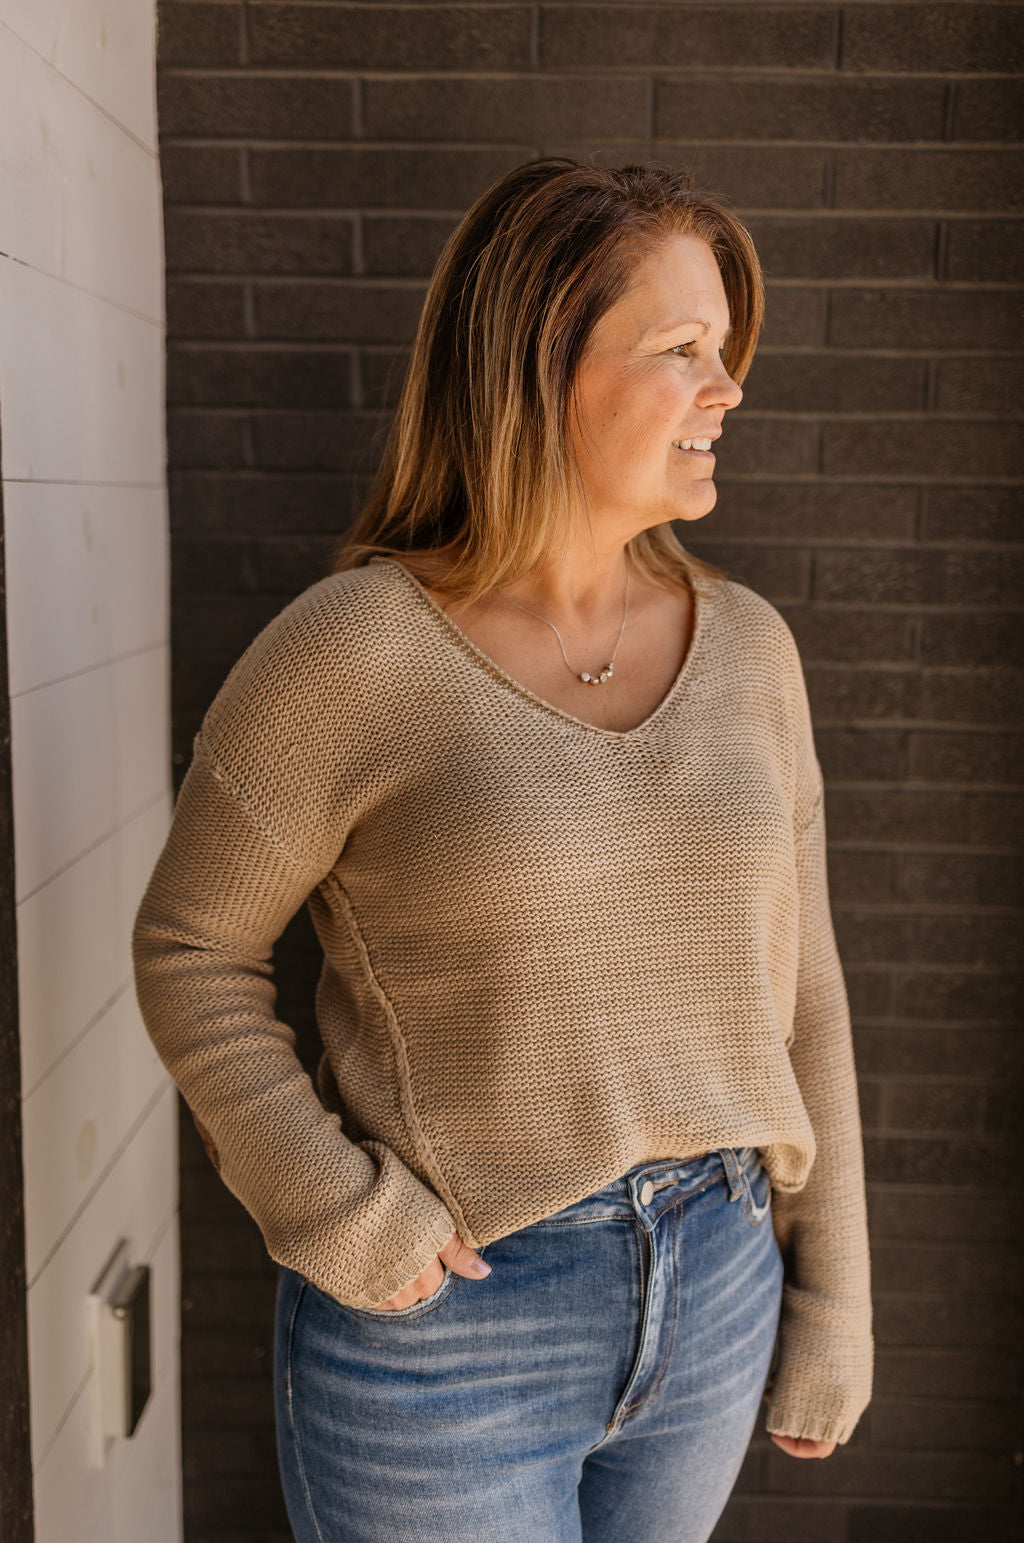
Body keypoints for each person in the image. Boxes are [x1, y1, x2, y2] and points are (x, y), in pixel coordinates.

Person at [132, 157, 873, 1543]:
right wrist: (330, 1203)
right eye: (682, 348)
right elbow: (191, 948)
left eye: (726, 349)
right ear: (541, 372)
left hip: (721, 1283)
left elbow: (806, 991)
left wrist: (834, 1297)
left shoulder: (753, 651)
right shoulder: (351, 655)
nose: (727, 388)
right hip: (452, 1328)